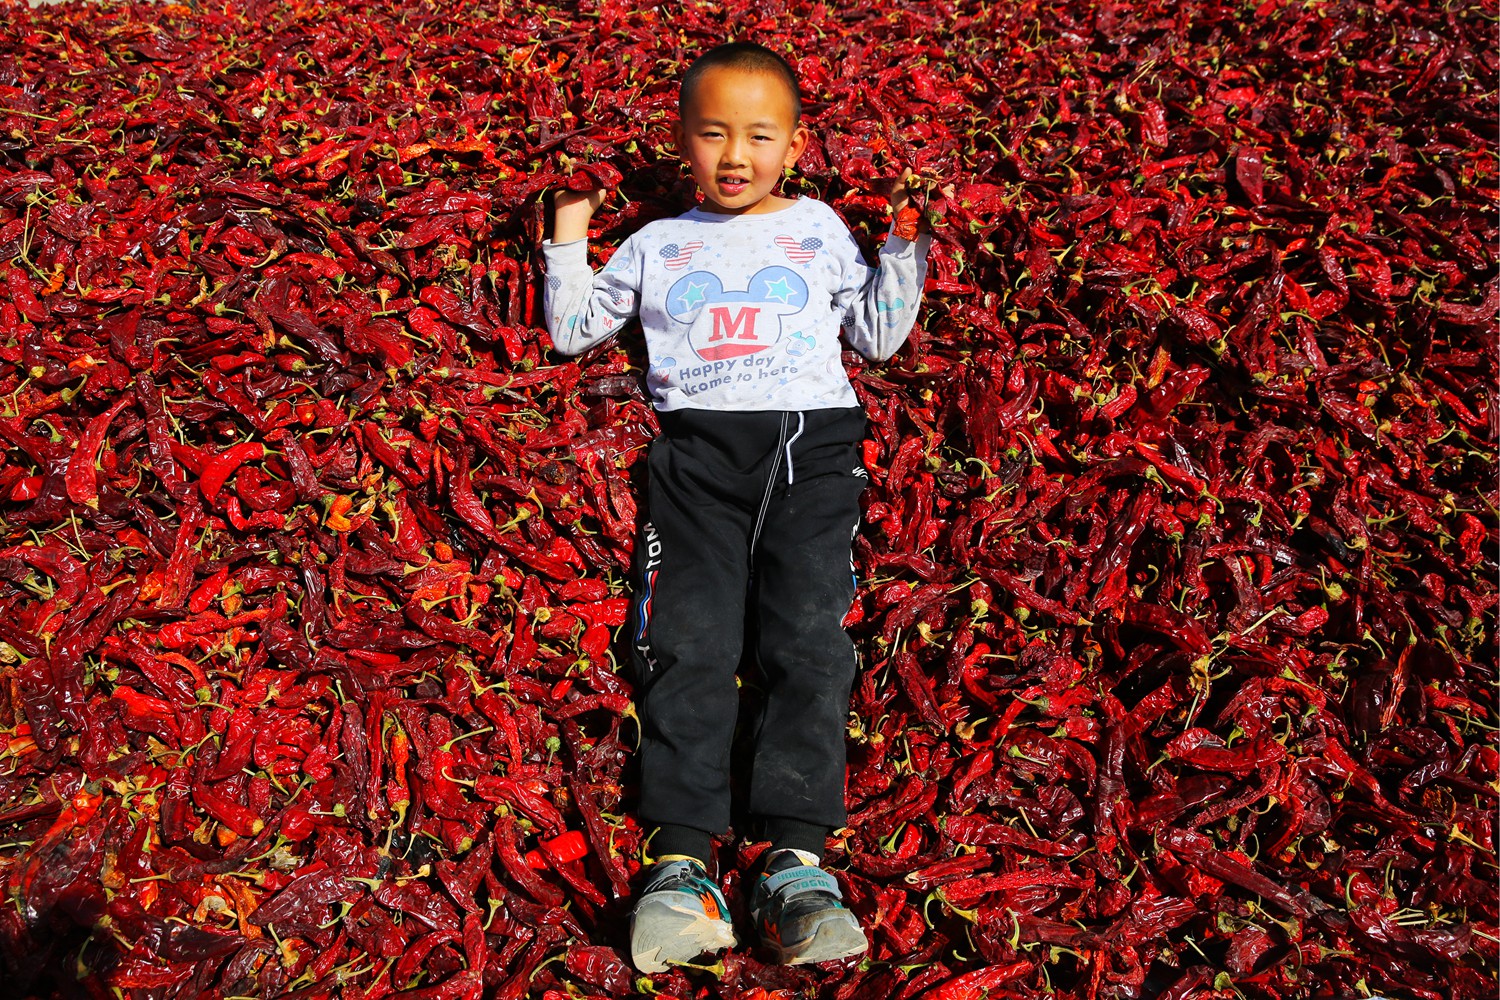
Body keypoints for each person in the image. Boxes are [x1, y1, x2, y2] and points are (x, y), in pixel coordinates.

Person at [540, 40, 932, 972]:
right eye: (713, 133)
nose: (735, 155)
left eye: (759, 136)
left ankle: (796, 865)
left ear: (794, 147)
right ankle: (679, 865)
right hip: (698, 461)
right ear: (683, 141)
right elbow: (571, 331)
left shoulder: (821, 228)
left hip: (813, 452)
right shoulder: (656, 243)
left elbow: (876, 337)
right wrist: (566, 237)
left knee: (807, 642)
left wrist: (905, 247)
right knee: (690, 643)